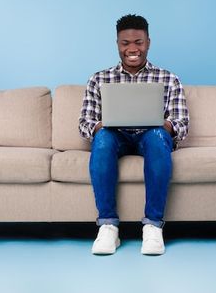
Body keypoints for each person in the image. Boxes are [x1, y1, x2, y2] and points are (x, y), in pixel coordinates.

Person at [78, 14, 189, 255]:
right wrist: (103, 126)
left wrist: (162, 125)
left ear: (148, 42)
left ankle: (153, 227)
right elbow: (85, 123)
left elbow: (181, 123)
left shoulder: (169, 79)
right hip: (114, 137)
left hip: (150, 137)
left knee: (159, 136)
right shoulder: (99, 79)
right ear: (117, 44)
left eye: (138, 42)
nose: (132, 49)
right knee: (103, 138)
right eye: (125, 43)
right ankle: (108, 226)